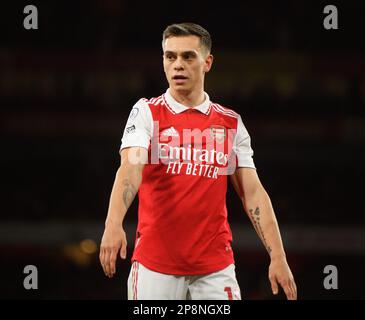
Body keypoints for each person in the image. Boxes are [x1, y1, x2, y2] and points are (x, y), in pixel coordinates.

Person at [99, 22, 297, 300]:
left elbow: (253, 193)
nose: (178, 65)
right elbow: (130, 170)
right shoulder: (146, 113)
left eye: (188, 56)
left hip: (215, 269)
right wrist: (113, 223)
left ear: (207, 62)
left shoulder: (230, 123)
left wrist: (278, 256)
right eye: (171, 57)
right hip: (156, 267)